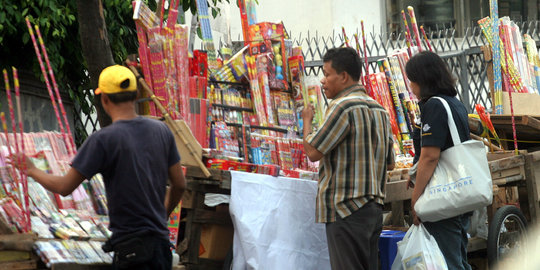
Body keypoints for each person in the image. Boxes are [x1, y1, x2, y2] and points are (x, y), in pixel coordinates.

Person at [10, 65, 186, 270]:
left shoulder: (103, 139)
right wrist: (160, 216)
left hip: (131, 250)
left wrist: (31, 169)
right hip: (161, 247)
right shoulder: (161, 131)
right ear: (137, 94)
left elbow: (65, 186)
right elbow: (180, 184)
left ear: (104, 100)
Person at [302, 47, 395, 270]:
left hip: (346, 208)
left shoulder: (342, 106)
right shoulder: (380, 110)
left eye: (326, 74)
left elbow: (313, 151)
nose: (323, 81)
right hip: (373, 209)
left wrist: (306, 120)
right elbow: (390, 162)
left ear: (343, 76)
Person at [405, 51, 472, 270]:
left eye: (411, 80)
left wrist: (415, 201)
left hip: (442, 199)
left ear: (422, 79)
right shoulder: (454, 103)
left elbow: (430, 157)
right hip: (459, 194)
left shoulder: (434, 105)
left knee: (448, 263)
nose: (410, 86)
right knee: (458, 260)